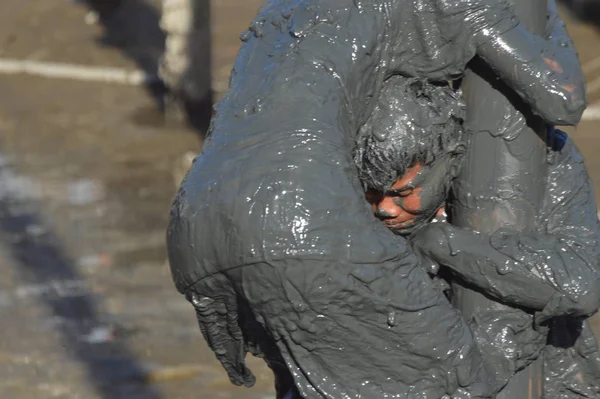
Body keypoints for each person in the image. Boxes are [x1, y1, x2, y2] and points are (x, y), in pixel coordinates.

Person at [167, 0, 589, 397]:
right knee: (465, 378)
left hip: (198, 210)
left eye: (402, 194)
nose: (387, 208)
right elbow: (562, 94)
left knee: (312, 375)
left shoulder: (293, 8)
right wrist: (537, 12)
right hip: (301, 210)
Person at [355, 75, 600, 397]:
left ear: (451, 158)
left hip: (548, 374)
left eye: (403, 193)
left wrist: (439, 243)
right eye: (372, 194)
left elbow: (579, 286)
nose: (385, 209)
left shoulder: (542, 156)